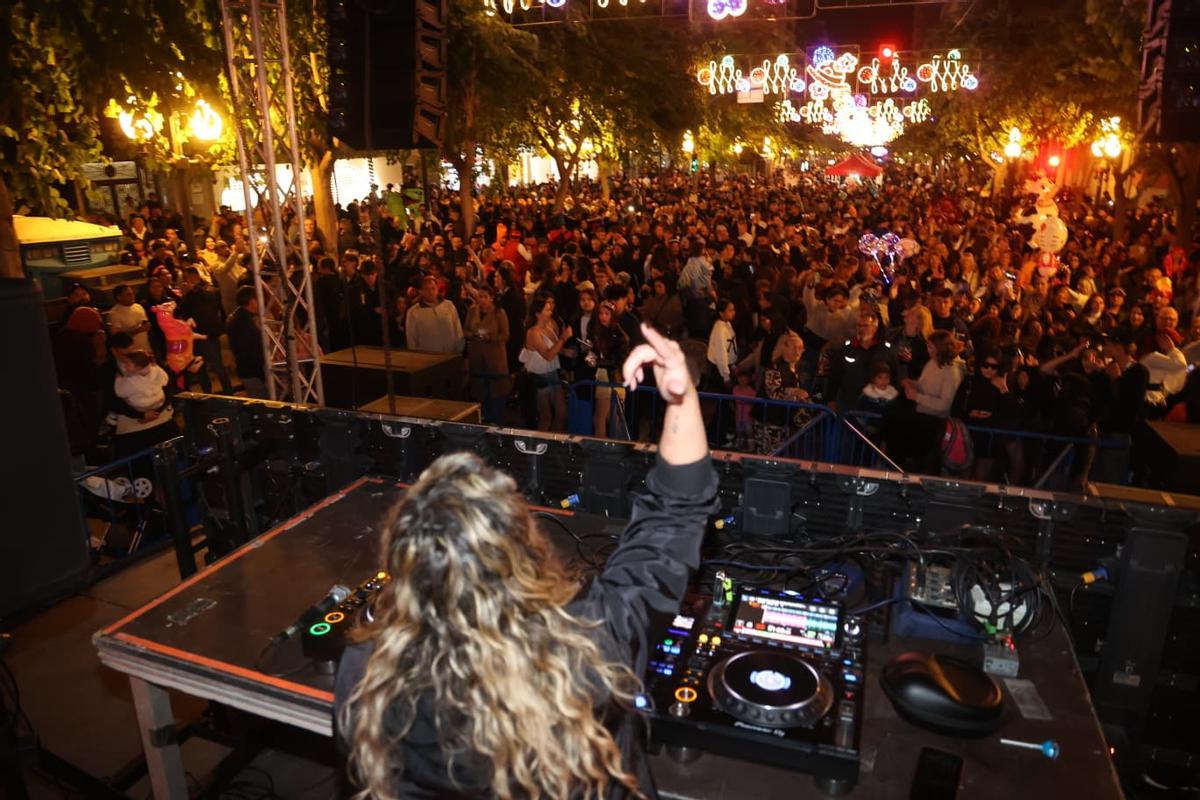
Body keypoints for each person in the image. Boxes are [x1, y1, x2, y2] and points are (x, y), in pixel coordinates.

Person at [336, 323, 716, 800]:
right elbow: (672, 521)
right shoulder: (583, 650)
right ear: (524, 552)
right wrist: (682, 401)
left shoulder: (365, 673)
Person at [520, 295, 572, 432]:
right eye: (547, 310)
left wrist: (565, 351)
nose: (550, 312)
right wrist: (563, 338)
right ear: (538, 313)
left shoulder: (549, 327)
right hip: (539, 376)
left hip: (552, 373)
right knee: (545, 417)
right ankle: (541, 447)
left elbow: (553, 348)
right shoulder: (532, 332)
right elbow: (548, 355)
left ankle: (553, 443)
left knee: (562, 414)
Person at [177, 265, 231, 393]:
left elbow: (211, 298)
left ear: (195, 276)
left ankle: (228, 392)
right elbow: (183, 311)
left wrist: (195, 289)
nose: (185, 280)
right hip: (194, 335)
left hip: (208, 334)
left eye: (187, 277)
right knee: (200, 367)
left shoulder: (208, 288)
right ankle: (207, 394)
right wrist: (185, 295)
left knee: (217, 365)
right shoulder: (188, 294)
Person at [463, 284, 511, 423]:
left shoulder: (499, 313)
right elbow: (465, 330)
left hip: (494, 357)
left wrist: (489, 337)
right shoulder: (472, 311)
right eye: (480, 297)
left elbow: (505, 335)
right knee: (480, 390)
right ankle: (483, 416)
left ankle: (497, 419)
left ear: (491, 298)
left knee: (496, 391)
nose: (482, 300)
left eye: (485, 297)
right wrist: (473, 335)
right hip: (477, 356)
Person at [591, 300, 630, 438]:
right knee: (612, 419)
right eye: (601, 313)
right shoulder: (601, 332)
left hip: (611, 379)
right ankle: (616, 449)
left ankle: (601, 452)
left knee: (599, 419)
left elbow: (619, 360)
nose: (603, 317)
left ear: (612, 316)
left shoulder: (618, 335)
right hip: (606, 377)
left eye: (606, 313)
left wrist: (599, 362)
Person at [406, 275, 465, 355]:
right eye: (426, 289)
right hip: (428, 357)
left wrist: (459, 347)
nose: (430, 292)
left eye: (433, 288)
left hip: (451, 354)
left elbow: (457, 327)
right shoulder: (413, 312)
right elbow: (411, 338)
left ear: (437, 289)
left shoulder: (448, 305)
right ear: (421, 291)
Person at [227, 286, 268, 398]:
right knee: (260, 399)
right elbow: (251, 347)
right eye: (259, 298)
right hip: (252, 369)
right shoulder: (243, 322)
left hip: (248, 368)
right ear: (252, 301)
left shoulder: (240, 317)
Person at [114, 350, 169, 417]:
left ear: (138, 367)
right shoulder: (156, 369)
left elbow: (119, 392)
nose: (125, 366)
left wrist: (118, 378)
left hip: (142, 407)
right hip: (159, 401)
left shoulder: (131, 380)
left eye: (127, 364)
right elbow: (165, 381)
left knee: (123, 398)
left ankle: (114, 416)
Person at [107, 284, 152, 352]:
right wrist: (138, 330)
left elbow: (145, 324)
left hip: (146, 349)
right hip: (130, 353)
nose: (132, 296)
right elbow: (117, 338)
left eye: (132, 293)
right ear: (119, 297)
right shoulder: (114, 314)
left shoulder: (138, 306)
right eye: (128, 294)